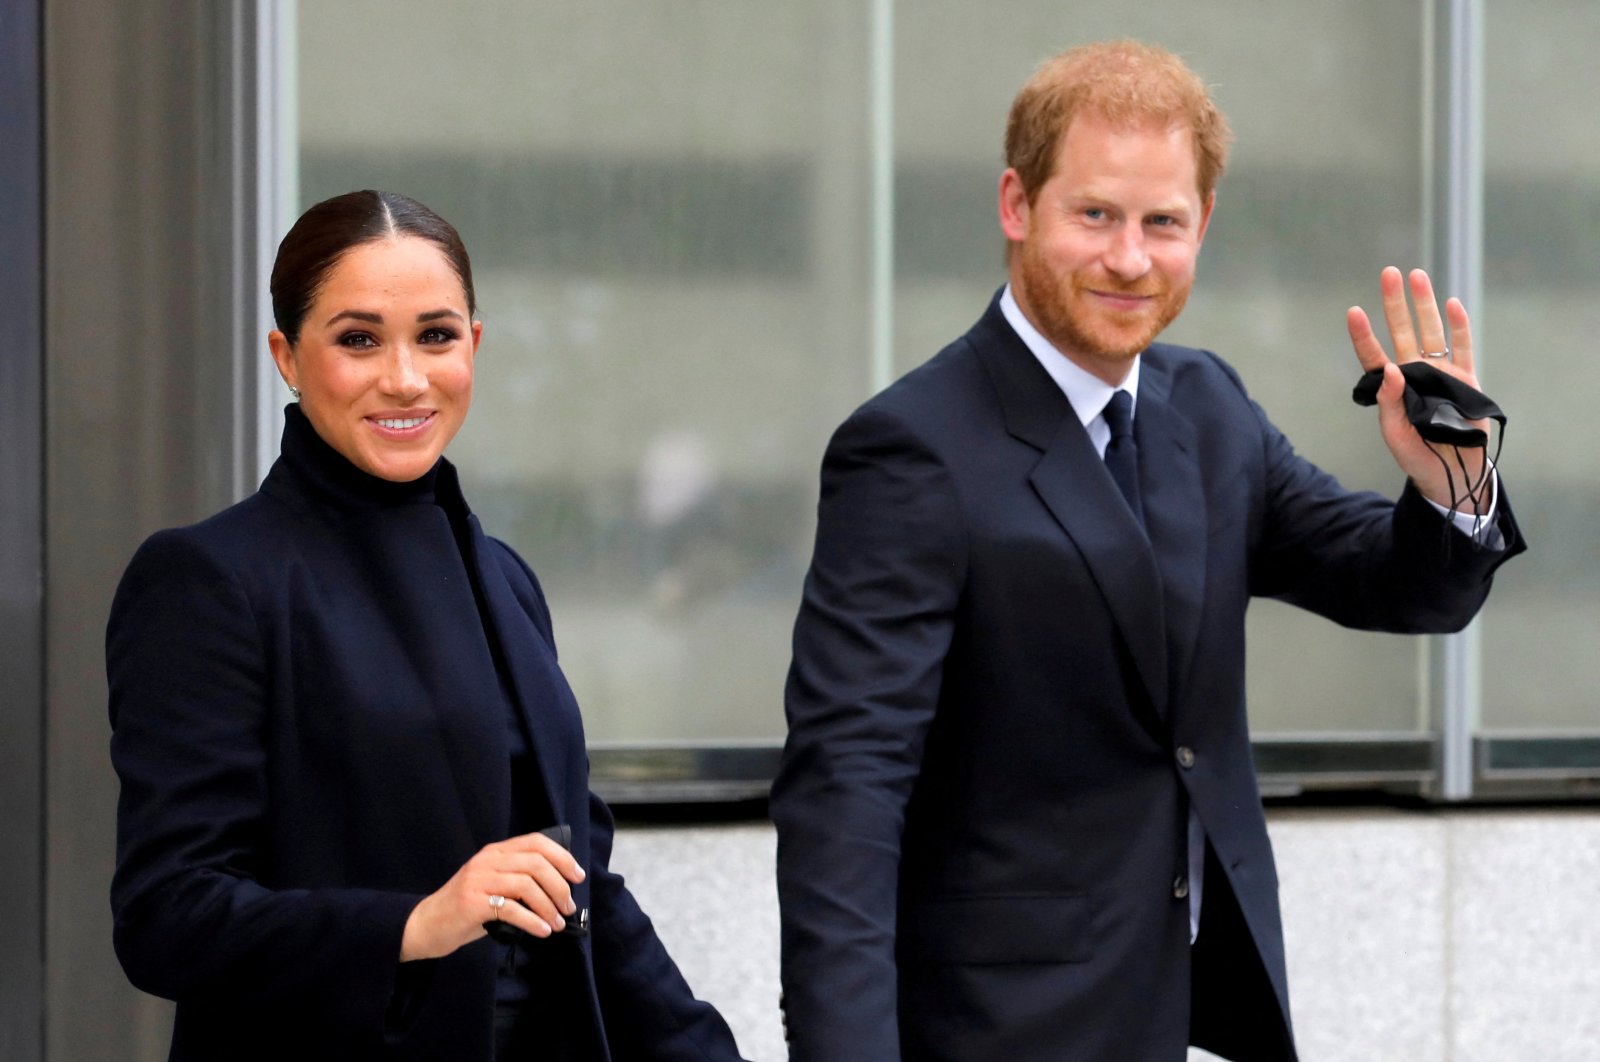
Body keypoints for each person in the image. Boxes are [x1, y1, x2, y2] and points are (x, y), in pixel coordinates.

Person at [771, 40, 1525, 1062]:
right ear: (1014, 204)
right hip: (996, 1032)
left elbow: (1394, 586)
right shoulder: (911, 447)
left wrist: (1451, 484)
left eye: (1162, 222)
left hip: (1183, 1011)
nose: (1130, 258)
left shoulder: (1205, 405)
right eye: (1095, 215)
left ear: (1201, 225)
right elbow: (845, 792)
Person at [108, 190, 747, 1062]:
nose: (405, 377)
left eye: (436, 335)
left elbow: (581, 885)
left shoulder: (508, 582)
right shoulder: (210, 580)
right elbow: (168, 916)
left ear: (474, 347)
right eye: (358, 338)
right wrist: (417, 922)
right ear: (287, 357)